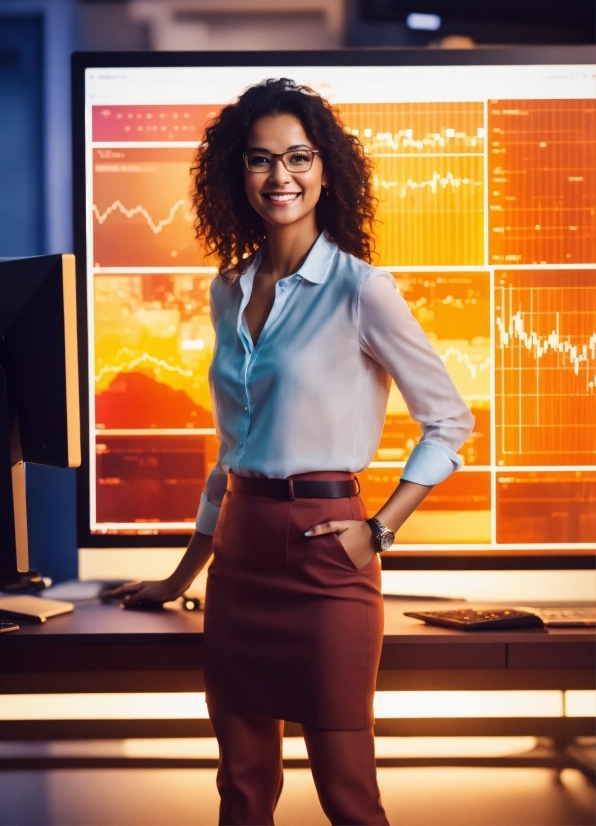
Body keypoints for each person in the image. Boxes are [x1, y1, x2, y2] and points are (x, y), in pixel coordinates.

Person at [108, 78, 474, 826]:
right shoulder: (228, 291)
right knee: (242, 791)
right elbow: (232, 453)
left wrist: (377, 532)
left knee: (347, 794)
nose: (281, 177)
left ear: (326, 169)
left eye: (298, 157)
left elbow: (449, 421)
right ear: (235, 177)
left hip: (326, 560)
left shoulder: (362, 290)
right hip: (239, 565)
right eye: (259, 160)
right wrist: (178, 578)